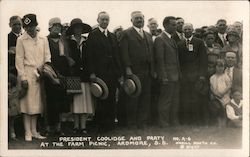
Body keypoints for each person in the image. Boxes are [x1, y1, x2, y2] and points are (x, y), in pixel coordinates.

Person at [16, 14, 50, 141]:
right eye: (27, 27)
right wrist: (23, 77)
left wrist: (45, 70)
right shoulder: (21, 39)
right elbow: (19, 60)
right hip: (28, 73)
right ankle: (27, 132)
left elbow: (47, 56)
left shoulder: (43, 39)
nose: (29, 29)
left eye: (31, 26)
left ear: (36, 25)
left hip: (40, 74)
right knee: (27, 104)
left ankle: (35, 131)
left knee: (37, 104)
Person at [86, 12, 121, 132]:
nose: (105, 22)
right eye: (103, 19)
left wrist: (119, 73)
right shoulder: (93, 35)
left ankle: (110, 124)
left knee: (111, 98)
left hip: (112, 73)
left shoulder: (112, 36)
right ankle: (101, 124)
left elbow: (117, 56)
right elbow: (89, 56)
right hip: (100, 73)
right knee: (101, 98)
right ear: (98, 20)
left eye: (107, 19)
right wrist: (92, 73)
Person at [120, 11, 154, 129]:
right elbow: (124, 53)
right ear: (131, 20)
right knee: (133, 97)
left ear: (144, 20)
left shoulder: (148, 35)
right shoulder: (126, 34)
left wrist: (152, 69)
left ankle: (142, 122)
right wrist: (128, 68)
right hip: (134, 71)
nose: (139, 20)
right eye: (136, 18)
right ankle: (132, 123)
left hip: (147, 70)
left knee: (145, 97)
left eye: (141, 18)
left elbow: (151, 54)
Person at [44, 17, 71, 135]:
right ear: (50, 27)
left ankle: (58, 128)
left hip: (63, 74)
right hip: (49, 74)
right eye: (55, 26)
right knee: (50, 101)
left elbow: (67, 57)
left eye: (59, 26)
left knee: (61, 101)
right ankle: (49, 128)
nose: (57, 28)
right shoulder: (44, 40)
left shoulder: (63, 40)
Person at [66, 18, 93, 134]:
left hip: (85, 75)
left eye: (80, 28)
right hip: (73, 74)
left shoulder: (86, 41)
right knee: (75, 100)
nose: (78, 30)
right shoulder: (68, 42)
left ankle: (83, 126)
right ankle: (76, 126)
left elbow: (91, 58)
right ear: (72, 30)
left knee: (85, 100)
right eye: (76, 28)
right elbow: (65, 57)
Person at [177, 23, 207, 125]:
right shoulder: (180, 44)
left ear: (192, 30)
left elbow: (203, 60)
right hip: (184, 77)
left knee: (196, 99)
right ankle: (186, 120)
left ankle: (196, 120)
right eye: (185, 29)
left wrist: (202, 75)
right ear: (182, 31)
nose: (187, 31)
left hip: (196, 76)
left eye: (189, 29)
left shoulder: (199, 42)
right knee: (185, 99)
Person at [154, 16, 181, 127]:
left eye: (176, 25)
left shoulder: (171, 39)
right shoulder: (160, 39)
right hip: (167, 77)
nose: (176, 27)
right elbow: (160, 60)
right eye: (173, 25)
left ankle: (173, 121)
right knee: (165, 101)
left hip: (175, 76)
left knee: (175, 100)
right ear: (165, 25)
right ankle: (163, 122)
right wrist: (164, 76)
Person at [209, 59, 231, 127]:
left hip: (225, 97)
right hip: (216, 97)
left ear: (224, 67)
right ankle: (218, 123)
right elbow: (212, 88)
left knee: (225, 108)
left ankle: (224, 123)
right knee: (217, 107)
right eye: (218, 66)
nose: (220, 68)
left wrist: (222, 93)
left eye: (222, 67)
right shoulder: (212, 77)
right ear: (215, 67)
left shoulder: (225, 76)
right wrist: (216, 94)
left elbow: (229, 86)